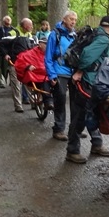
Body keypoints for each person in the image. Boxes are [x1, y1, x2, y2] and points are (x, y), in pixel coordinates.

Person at [65, 15, 109, 164]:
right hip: (88, 81)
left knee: (93, 113)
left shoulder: (96, 34)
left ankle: (97, 144)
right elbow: (87, 54)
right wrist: (80, 71)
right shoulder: (103, 39)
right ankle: (72, 150)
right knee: (80, 115)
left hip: (91, 81)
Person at [44, 10, 78, 141]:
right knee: (61, 99)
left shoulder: (74, 35)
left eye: (75, 20)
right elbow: (48, 57)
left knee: (76, 102)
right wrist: (52, 75)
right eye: (71, 19)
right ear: (64, 19)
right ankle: (58, 129)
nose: (73, 22)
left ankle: (75, 129)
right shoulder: (55, 34)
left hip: (73, 72)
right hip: (59, 71)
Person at [0, 18, 34, 113]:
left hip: (27, 64)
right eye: (30, 25)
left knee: (29, 83)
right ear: (24, 26)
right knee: (16, 85)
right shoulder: (13, 33)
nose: (32, 27)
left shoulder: (29, 35)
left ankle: (33, 103)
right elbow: (2, 44)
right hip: (14, 63)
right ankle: (18, 105)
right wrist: (5, 54)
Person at [14, 37, 53, 110]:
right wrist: (28, 66)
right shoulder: (30, 53)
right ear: (40, 44)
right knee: (44, 82)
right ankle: (48, 101)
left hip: (49, 74)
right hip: (37, 77)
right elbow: (20, 62)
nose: (48, 46)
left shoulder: (51, 53)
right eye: (46, 44)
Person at [0, 15, 19, 88]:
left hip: (11, 52)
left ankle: (11, 81)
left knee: (11, 67)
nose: (8, 20)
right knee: (0, 66)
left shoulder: (14, 30)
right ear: (3, 21)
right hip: (0, 51)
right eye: (6, 19)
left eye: (9, 19)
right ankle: (1, 82)